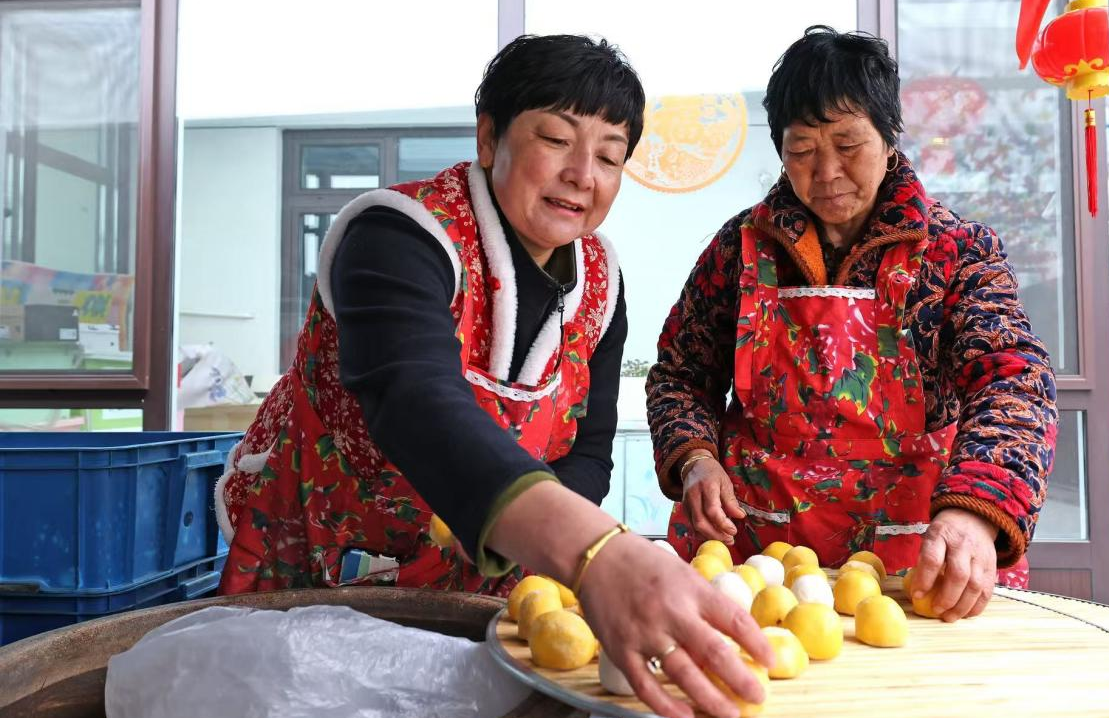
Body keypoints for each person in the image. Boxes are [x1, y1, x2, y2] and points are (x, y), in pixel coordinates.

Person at [214, 34, 770, 718]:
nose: (581, 174)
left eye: (607, 155)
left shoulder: (599, 277)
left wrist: (555, 570)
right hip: (333, 559)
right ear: (488, 137)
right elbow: (415, 400)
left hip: (489, 576)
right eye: (556, 139)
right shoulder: (399, 234)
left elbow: (586, 449)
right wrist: (596, 553)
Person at [648, 27, 1059, 623]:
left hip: (916, 554)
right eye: (803, 150)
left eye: (848, 143)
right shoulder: (740, 249)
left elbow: (1014, 380)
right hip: (755, 552)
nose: (827, 171)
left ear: (890, 140)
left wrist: (976, 508)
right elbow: (680, 374)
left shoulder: (956, 251)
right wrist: (695, 459)